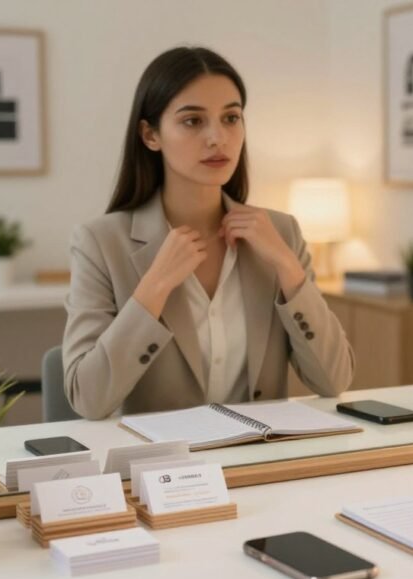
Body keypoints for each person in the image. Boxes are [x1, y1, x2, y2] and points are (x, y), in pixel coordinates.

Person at [62, 47, 354, 420]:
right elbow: (88, 399)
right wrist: (154, 286)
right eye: (193, 121)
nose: (218, 137)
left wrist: (286, 266)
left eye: (231, 118)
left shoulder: (281, 232)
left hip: (261, 465)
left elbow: (334, 380)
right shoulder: (100, 243)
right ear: (150, 135)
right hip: (158, 471)